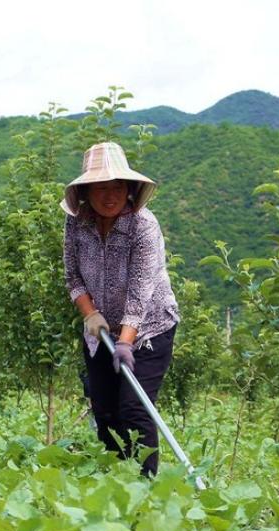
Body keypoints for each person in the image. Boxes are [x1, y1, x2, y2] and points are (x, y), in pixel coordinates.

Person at [62, 142, 179, 477]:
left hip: (150, 328)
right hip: (100, 330)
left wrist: (127, 341)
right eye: (101, 188)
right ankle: (116, 480)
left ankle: (146, 484)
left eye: (117, 187)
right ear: (86, 192)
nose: (110, 196)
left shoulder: (143, 225)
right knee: (106, 410)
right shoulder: (76, 223)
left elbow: (141, 290)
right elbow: (72, 277)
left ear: (129, 189)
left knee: (134, 407)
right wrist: (90, 314)